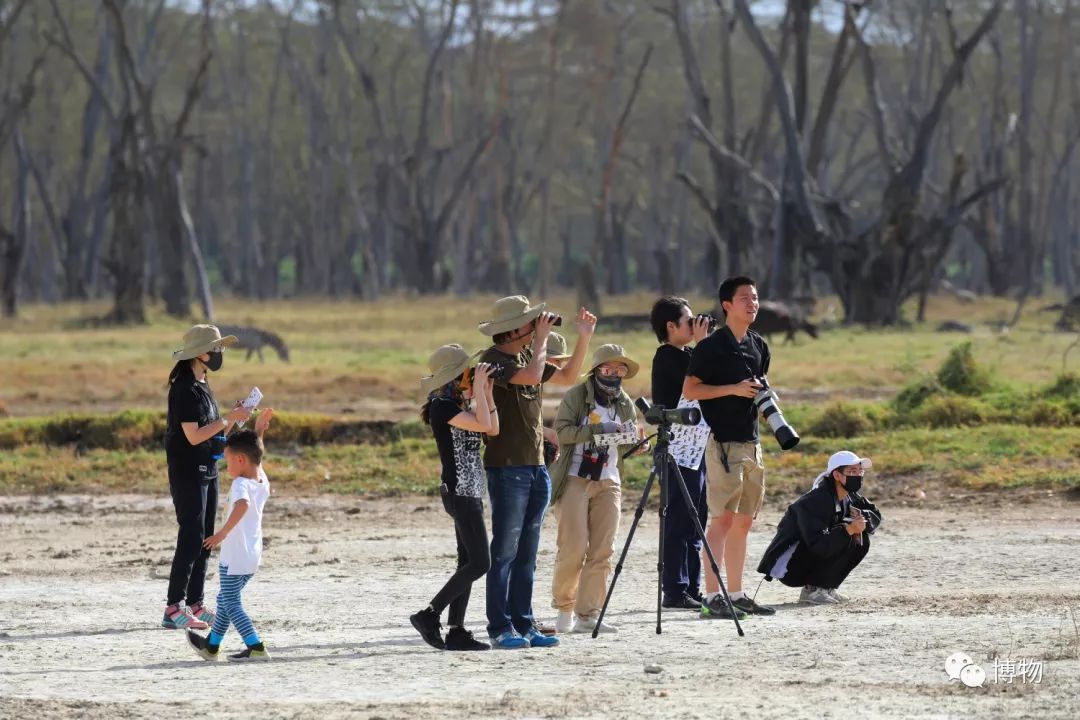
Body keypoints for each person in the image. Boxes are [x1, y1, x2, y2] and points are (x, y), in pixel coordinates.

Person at [477, 296, 596, 649]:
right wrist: (542, 337)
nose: (535, 327)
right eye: (529, 323)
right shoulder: (494, 361)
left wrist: (584, 336)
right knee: (505, 551)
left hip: (536, 466)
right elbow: (529, 378)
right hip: (507, 468)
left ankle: (523, 622)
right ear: (512, 329)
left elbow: (570, 377)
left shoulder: (530, 354)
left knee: (528, 551)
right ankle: (500, 627)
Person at [683, 277, 775, 618]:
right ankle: (711, 596)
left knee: (744, 522)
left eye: (755, 297)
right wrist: (732, 390)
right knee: (721, 520)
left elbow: (759, 386)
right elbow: (691, 389)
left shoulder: (759, 345)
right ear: (727, 305)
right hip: (722, 443)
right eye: (744, 298)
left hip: (752, 442)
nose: (752, 303)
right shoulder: (711, 346)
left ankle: (736, 593)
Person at [549, 345, 646, 634]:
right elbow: (562, 433)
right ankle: (564, 608)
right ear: (595, 371)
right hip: (575, 477)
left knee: (603, 550)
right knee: (573, 548)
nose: (614, 375)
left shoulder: (624, 401)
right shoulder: (577, 396)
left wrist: (640, 445)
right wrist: (599, 431)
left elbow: (627, 440)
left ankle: (588, 614)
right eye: (607, 369)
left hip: (609, 480)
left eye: (620, 370)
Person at [409, 346, 499, 651]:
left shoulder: (460, 404)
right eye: (468, 371)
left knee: (467, 562)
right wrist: (481, 390)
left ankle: (457, 630)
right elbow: (486, 425)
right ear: (453, 377)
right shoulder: (443, 407)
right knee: (481, 563)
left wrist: (486, 391)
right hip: (459, 491)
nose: (472, 375)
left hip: (471, 491)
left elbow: (493, 428)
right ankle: (429, 614)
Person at [163, 325, 253, 630]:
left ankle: (196, 603)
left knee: (205, 538)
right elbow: (193, 436)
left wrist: (235, 420)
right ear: (200, 352)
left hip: (209, 468)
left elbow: (213, 435)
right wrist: (228, 418)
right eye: (216, 348)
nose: (219, 354)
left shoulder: (203, 385)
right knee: (190, 535)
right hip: (188, 471)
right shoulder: (184, 389)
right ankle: (174, 607)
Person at [185, 408, 275, 661]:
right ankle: (211, 647)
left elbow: (242, 505)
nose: (226, 466)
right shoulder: (260, 479)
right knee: (225, 599)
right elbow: (255, 456)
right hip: (252, 556)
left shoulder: (240, 485)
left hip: (234, 558)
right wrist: (258, 431)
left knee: (231, 603)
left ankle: (255, 646)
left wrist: (221, 534)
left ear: (240, 461)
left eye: (227, 460)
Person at [649, 296, 712, 610]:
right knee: (677, 518)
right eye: (689, 322)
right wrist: (703, 347)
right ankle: (674, 590)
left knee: (697, 518)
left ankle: (692, 587)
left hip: (697, 449)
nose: (694, 326)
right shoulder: (666, 357)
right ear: (670, 327)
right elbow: (695, 382)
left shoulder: (688, 354)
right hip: (675, 450)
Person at [757, 451, 882, 604]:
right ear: (836, 475)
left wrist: (861, 518)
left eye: (860, 471)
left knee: (861, 539)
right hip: (791, 567)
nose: (858, 476)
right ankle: (812, 591)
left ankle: (825, 587)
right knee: (847, 534)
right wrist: (848, 529)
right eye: (852, 471)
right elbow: (818, 543)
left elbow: (875, 514)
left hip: (810, 555)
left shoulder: (850, 495)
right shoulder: (817, 500)